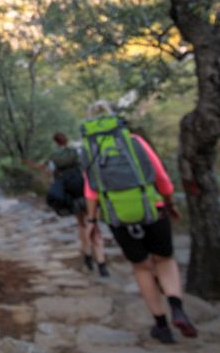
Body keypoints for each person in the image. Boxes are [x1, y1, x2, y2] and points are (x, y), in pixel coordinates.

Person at [81, 101, 197, 344]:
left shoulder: (88, 149)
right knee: (164, 260)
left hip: (118, 216)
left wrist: (92, 220)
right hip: (152, 208)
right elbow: (161, 176)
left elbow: (91, 191)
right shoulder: (133, 141)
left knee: (142, 267)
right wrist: (170, 202)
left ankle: (161, 326)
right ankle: (177, 307)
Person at [48, 132, 108, 276]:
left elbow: (50, 172)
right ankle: (101, 262)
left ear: (55, 142)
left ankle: (87, 254)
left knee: (81, 224)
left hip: (71, 194)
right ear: (66, 139)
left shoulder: (54, 156)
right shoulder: (78, 151)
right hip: (86, 191)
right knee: (93, 224)